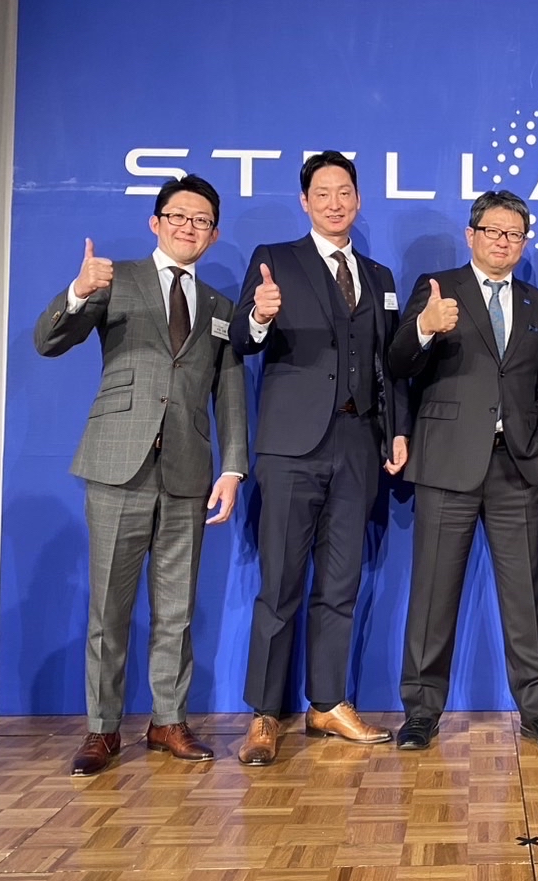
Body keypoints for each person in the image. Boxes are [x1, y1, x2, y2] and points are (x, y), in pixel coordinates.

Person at [34, 174, 248, 776]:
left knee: (176, 610)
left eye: (201, 221)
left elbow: (230, 394)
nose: (189, 228)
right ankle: (102, 729)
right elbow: (49, 341)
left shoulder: (220, 307)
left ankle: (167, 721)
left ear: (213, 234)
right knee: (109, 608)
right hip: (117, 464)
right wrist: (78, 291)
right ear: (156, 223)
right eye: (178, 216)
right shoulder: (114, 279)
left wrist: (233, 466)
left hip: (187, 470)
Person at [228, 151, 409, 766]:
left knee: (340, 582)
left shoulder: (380, 276)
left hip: (358, 444)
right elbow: (241, 338)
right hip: (291, 447)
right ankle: (264, 714)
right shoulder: (274, 260)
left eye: (345, 192)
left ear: (359, 200)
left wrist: (396, 430)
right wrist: (259, 315)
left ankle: (327, 703)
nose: (335, 202)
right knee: (280, 583)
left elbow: (387, 364)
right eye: (323, 193)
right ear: (305, 202)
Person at [387, 190, 538, 751]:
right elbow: (396, 363)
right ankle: (421, 711)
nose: (503, 242)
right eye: (493, 231)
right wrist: (424, 328)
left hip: (517, 466)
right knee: (432, 593)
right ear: (471, 235)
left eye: (515, 234)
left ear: (524, 242)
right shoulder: (438, 288)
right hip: (447, 462)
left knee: (526, 598)